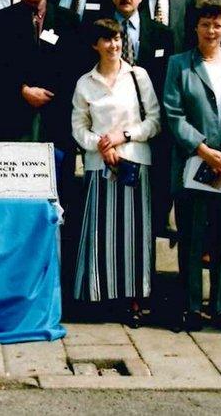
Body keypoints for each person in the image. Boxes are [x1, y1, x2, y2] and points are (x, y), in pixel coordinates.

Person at [0, 0, 86, 304]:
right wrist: (21, 90)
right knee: (17, 207)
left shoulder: (69, 21)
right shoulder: (1, 22)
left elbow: (75, 71)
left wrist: (49, 95)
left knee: (54, 207)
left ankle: (52, 282)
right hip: (14, 126)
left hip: (55, 127)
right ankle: (15, 280)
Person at [163, 0, 221, 333]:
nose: (211, 30)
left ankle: (219, 307)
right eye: (205, 24)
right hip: (193, 163)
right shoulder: (180, 65)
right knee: (191, 238)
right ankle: (191, 307)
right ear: (196, 28)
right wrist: (203, 150)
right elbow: (173, 114)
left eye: (217, 24)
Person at [71, 19, 161, 327]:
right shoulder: (86, 82)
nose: (114, 45)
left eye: (118, 39)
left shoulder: (138, 76)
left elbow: (154, 121)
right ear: (95, 45)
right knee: (101, 234)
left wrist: (124, 136)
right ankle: (102, 297)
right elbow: (78, 127)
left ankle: (134, 300)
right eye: (107, 40)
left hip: (134, 162)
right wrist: (100, 145)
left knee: (134, 234)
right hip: (100, 166)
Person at [109, 0, 175, 245]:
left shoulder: (162, 34)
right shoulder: (99, 31)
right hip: (109, 129)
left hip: (149, 128)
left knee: (148, 204)